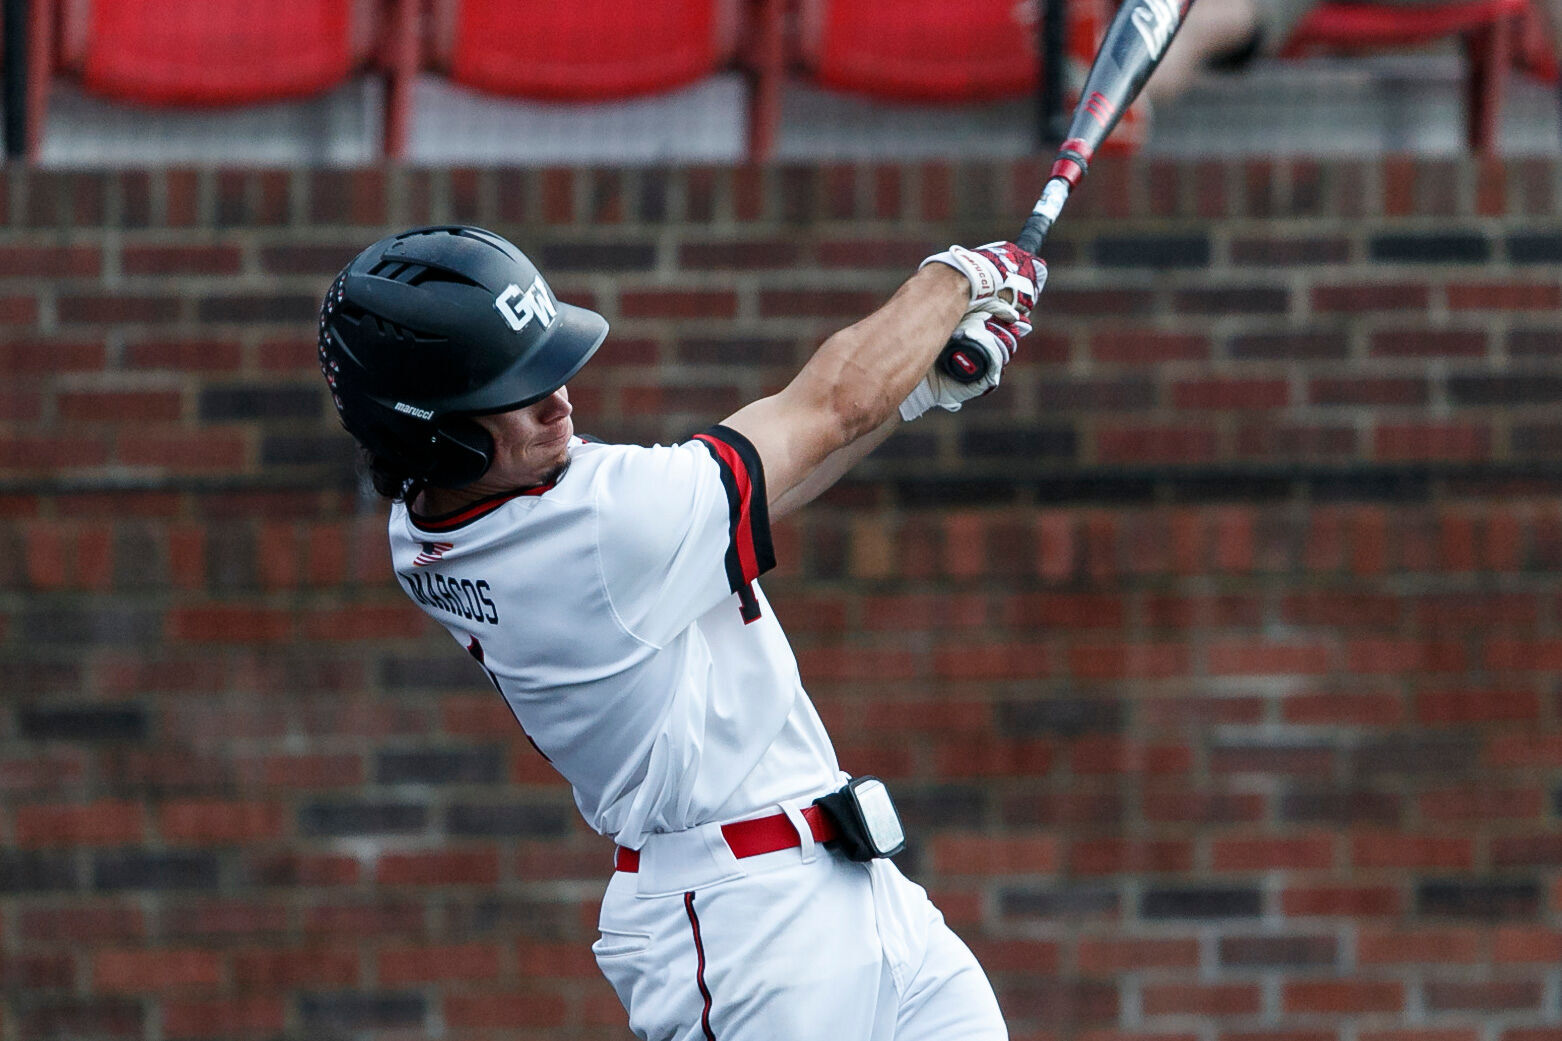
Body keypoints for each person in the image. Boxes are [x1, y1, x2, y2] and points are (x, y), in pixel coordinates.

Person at [315, 224, 1044, 1040]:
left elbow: (772, 477)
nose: (557, 399)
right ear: (433, 431)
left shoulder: (446, 514)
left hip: (840, 886)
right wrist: (958, 278)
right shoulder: (597, 530)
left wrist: (914, 386)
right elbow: (831, 406)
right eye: (512, 391)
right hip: (744, 931)